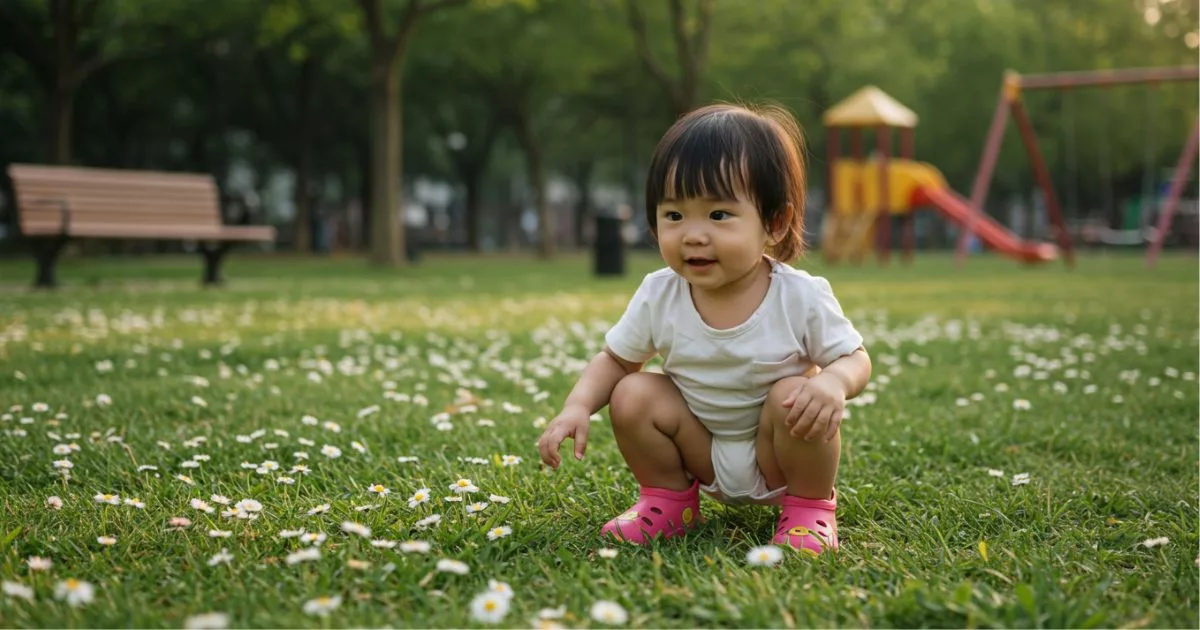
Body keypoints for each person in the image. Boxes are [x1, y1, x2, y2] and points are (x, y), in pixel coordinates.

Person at [536, 102, 872, 555]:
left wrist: (833, 382)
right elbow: (617, 360)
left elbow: (855, 357)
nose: (693, 235)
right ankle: (669, 501)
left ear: (773, 222)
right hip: (702, 450)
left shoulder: (800, 296)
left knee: (792, 393)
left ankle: (809, 510)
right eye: (674, 215)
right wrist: (576, 407)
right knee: (632, 392)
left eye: (718, 216)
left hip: (777, 452)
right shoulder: (660, 294)